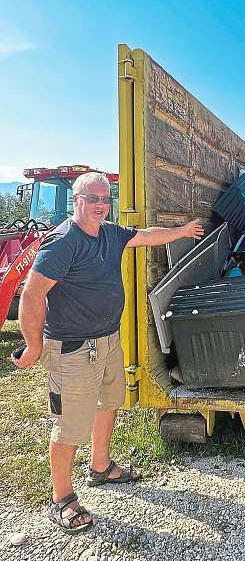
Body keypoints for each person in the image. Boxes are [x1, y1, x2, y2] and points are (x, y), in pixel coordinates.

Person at [12, 171, 204, 534]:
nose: (101, 205)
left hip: (107, 340)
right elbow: (33, 293)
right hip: (72, 348)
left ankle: (100, 467)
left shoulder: (110, 233)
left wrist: (181, 232)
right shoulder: (63, 241)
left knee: (107, 404)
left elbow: (145, 236)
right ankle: (62, 498)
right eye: (93, 198)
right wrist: (35, 345)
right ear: (77, 201)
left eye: (106, 199)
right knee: (69, 425)